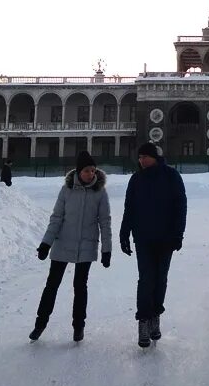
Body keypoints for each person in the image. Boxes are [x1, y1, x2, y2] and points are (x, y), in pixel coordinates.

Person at [29, 151, 111, 342]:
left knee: (80, 286)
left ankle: (78, 327)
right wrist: (46, 243)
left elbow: (105, 222)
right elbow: (56, 218)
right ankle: (40, 324)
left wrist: (106, 249)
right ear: (79, 171)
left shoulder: (100, 191)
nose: (91, 174)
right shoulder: (66, 190)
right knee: (52, 285)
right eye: (87, 170)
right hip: (63, 243)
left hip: (86, 246)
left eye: (93, 170)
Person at [120, 142, 186, 348]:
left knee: (160, 278)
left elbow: (180, 206)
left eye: (145, 157)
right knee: (146, 278)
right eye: (139, 157)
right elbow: (129, 208)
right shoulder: (136, 179)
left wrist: (178, 234)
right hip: (143, 238)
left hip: (166, 238)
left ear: (155, 157)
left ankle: (155, 315)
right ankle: (143, 321)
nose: (141, 160)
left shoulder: (171, 176)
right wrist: (124, 233)